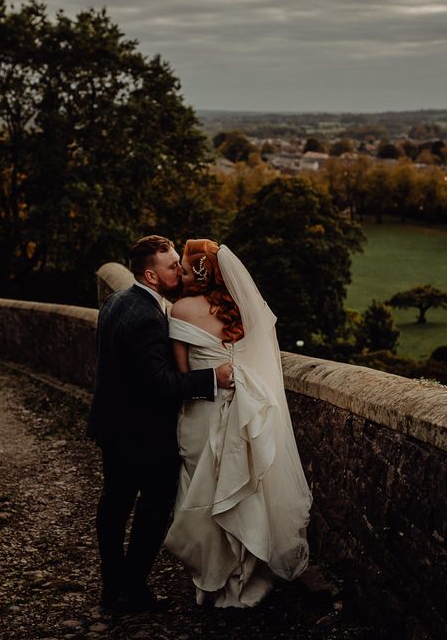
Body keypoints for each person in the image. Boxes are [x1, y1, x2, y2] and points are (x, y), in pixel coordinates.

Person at [89, 235, 235, 612]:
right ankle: (133, 589)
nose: (181, 272)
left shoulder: (116, 303)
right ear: (152, 277)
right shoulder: (148, 319)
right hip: (145, 435)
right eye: (173, 267)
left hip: (112, 427)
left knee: (114, 505)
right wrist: (211, 379)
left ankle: (112, 585)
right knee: (152, 509)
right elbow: (159, 385)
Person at [164, 239, 312, 608]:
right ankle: (249, 576)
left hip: (202, 412)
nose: (179, 273)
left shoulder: (180, 310)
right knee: (247, 491)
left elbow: (183, 376)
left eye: (182, 267)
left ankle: (214, 580)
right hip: (249, 413)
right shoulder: (243, 310)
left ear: (198, 273)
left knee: (206, 492)